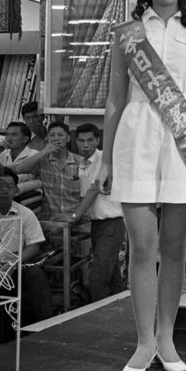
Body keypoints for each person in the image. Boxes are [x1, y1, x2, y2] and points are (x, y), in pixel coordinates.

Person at [95, 0, 186, 371]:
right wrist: (106, 159)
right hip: (137, 140)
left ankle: (166, 337)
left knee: (175, 248)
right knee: (142, 248)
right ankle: (144, 342)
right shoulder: (127, 33)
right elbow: (114, 99)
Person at [71, 123, 126, 302]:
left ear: (98, 140)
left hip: (112, 223)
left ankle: (98, 312)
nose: (85, 145)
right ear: (76, 142)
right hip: (97, 224)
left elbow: (94, 189)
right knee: (112, 275)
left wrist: (75, 216)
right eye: (81, 141)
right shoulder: (82, 164)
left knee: (98, 277)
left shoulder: (103, 158)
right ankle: (121, 310)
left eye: (90, 140)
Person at [0, 166, 53, 338]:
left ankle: (45, 331)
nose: (4, 190)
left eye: (9, 186)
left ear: (16, 190)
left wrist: (12, 264)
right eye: (0, 185)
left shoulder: (25, 214)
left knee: (36, 276)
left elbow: (34, 246)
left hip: (15, 266)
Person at [13, 122, 88, 231]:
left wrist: (75, 216)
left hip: (77, 223)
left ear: (68, 138)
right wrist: (44, 151)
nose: (56, 138)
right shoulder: (42, 161)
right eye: (52, 135)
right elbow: (20, 169)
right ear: (48, 138)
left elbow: (88, 194)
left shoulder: (80, 162)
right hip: (50, 223)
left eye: (60, 135)